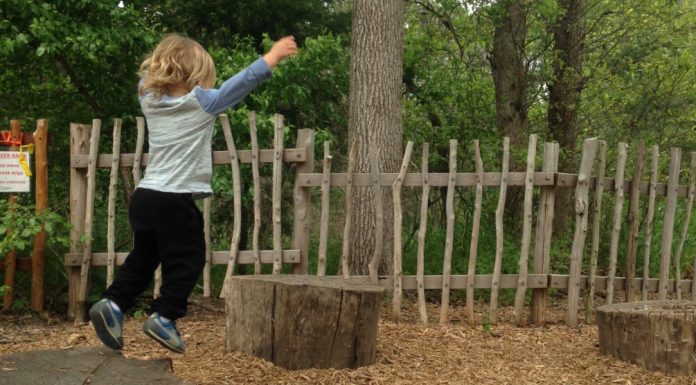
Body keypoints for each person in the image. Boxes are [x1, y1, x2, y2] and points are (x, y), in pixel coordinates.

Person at [88, 34, 298, 354]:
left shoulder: (149, 100)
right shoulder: (203, 102)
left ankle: (113, 303)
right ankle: (165, 315)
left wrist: (165, 65)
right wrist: (273, 55)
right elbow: (243, 82)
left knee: (145, 257)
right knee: (190, 257)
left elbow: (148, 79)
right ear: (196, 77)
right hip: (173, 198)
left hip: (146, 196)